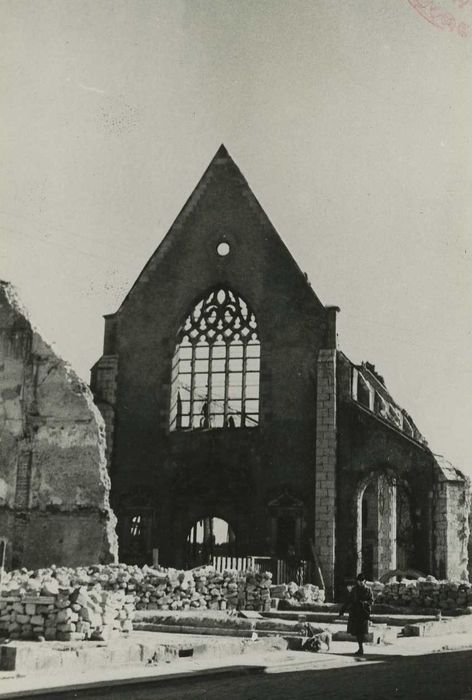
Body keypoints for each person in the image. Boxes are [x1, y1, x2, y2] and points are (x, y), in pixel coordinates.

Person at [340, 572, 373, 656]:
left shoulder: (368, 589)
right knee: (357, 632)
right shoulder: (354, 590)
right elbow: (348, 600)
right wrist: (342, 610)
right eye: (359, 581)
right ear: (357, 581)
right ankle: (360, 648)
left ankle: (361, 648)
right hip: (355, 612)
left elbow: (371, 601)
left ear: (365, 581)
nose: (361, 582)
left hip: (364, 613)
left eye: (362, 581)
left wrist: (365, 603)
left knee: (361, 631)